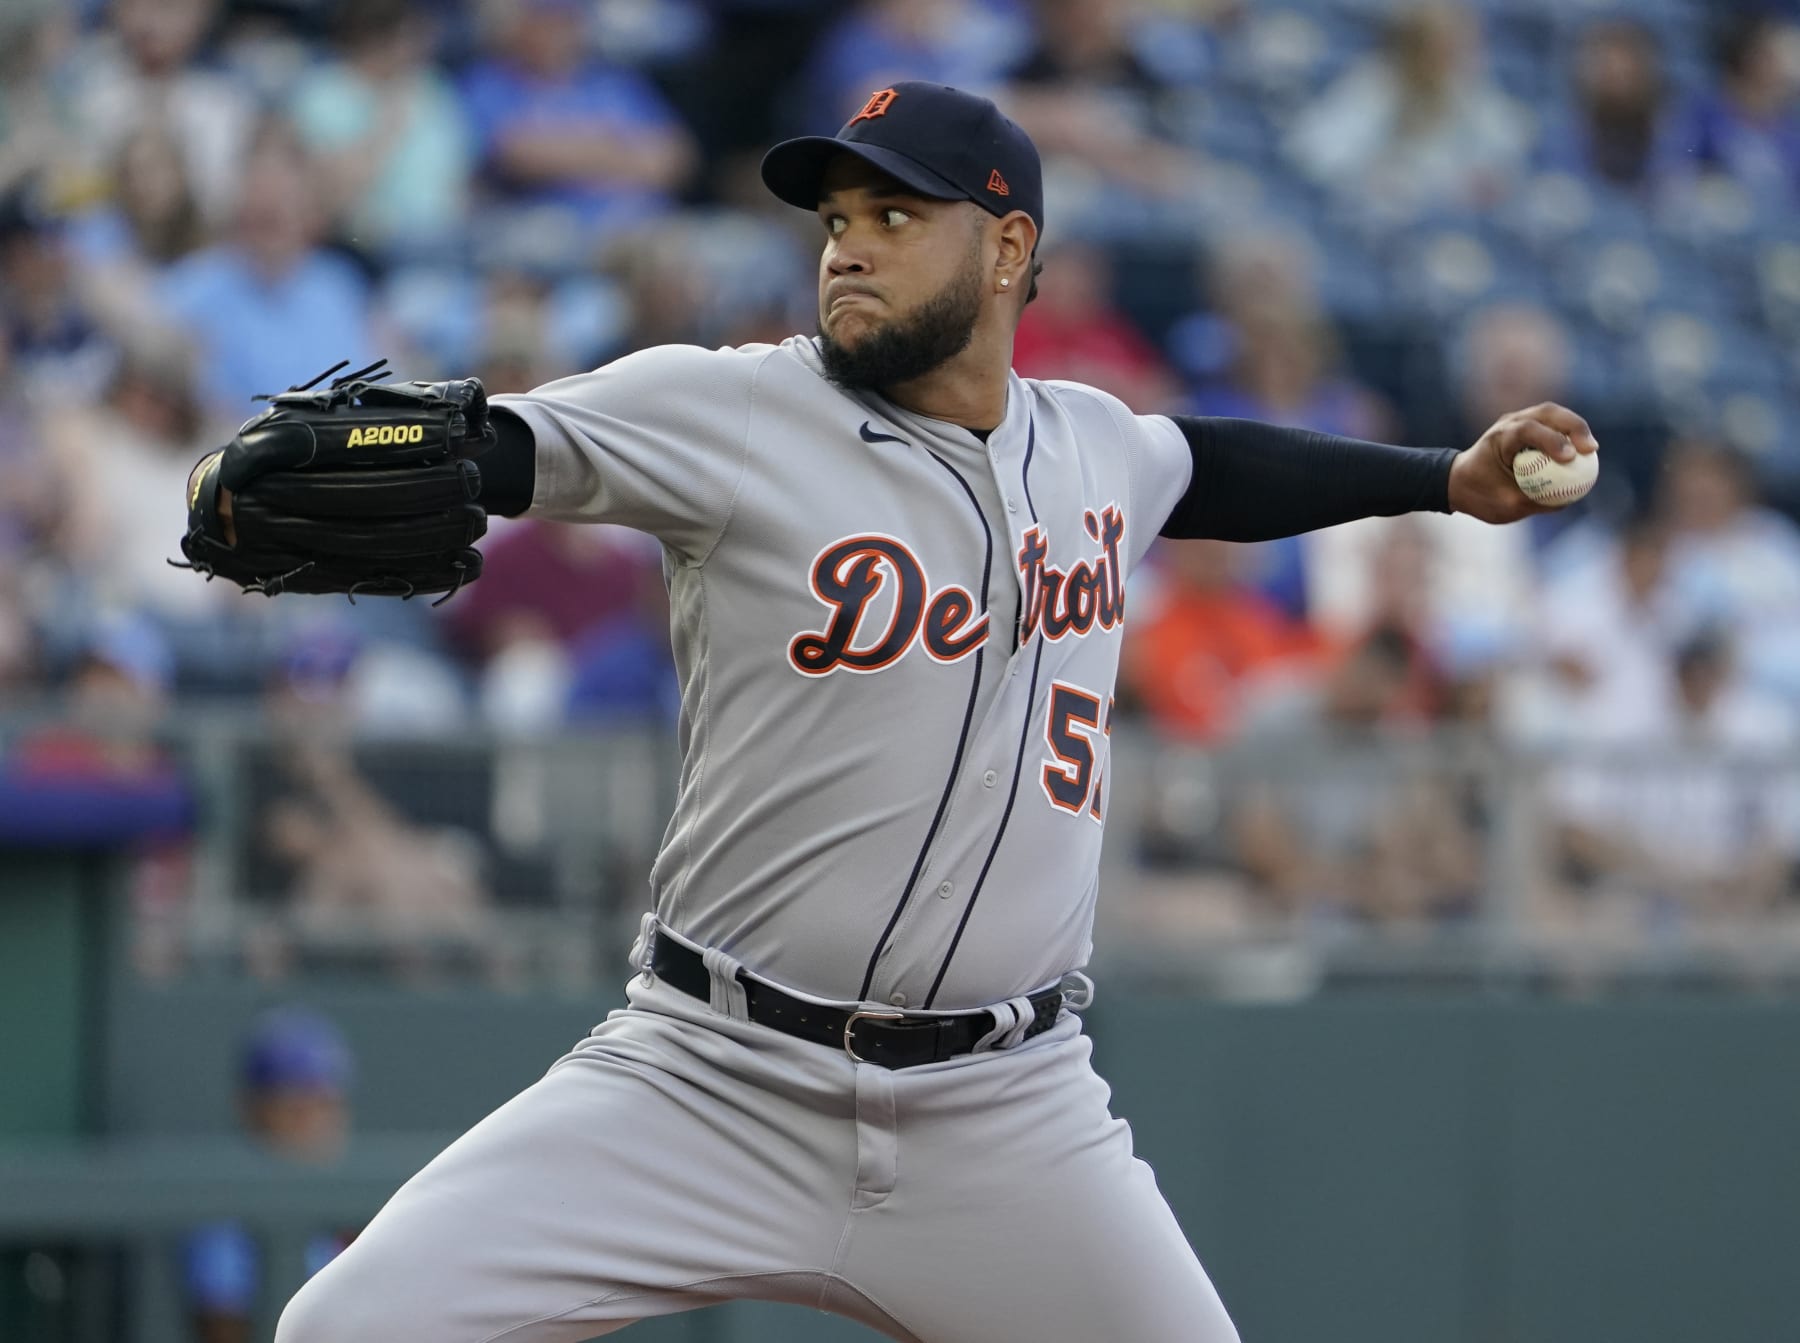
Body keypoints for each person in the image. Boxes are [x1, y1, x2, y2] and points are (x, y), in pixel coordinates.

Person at [194, 83, 1594, 1343]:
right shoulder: (731, 408)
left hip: (1009, 1109)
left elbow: (1211, 465)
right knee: (349, 1326)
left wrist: (1436, 476)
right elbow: (512, 444)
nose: (845, 245)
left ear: (1005, 250)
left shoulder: (1093, 443)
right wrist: (447, 453)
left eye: (894, 213)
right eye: (836, 216)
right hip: (709, 1073)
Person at [182, 1006, 356, 1343]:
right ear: (254, 1109)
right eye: (299, 1108)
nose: (318, 1122)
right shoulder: (223, 1211)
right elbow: (224, 1327)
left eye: (327, 1104)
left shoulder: (340, 1204)